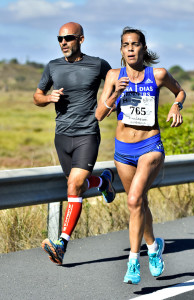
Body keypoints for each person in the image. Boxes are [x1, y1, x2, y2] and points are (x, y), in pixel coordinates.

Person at [95, 27, 186, 284]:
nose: (131, 48)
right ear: (122, 50)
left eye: (136, 44)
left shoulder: (157, 74)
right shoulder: (114, 75)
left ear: (144, 48)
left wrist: (177, 105)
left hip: (150, 147)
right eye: (126, 45)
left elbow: (179, 91)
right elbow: (99, 115)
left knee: (134, 199)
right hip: (123, 152)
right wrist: (115, 93)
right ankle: (154, 247)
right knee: (139, 203)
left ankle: (133, 262)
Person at [33, 22, 116, 265]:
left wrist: (109, 102)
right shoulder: (52, 66)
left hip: (87, 133)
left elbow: (115, 84)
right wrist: (48, 98)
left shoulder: (98, 64)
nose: (63, 43)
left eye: (68, 38)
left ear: (81, 39)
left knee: (74, 184)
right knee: (75, 185)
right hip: (62, 135)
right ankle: (104, 181)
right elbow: (36, 96)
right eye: (59, 38)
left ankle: (61, 244)